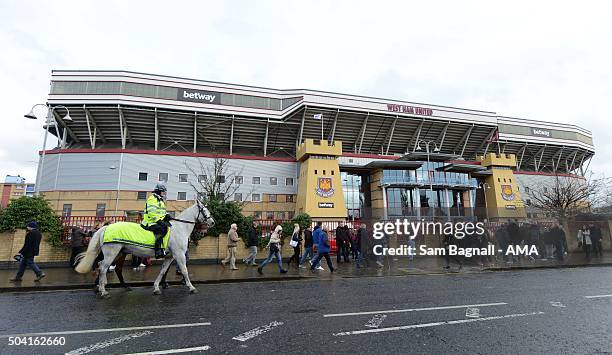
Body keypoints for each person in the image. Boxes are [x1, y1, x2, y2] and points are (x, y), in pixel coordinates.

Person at [141, 183, 170, 258]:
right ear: (158, 191)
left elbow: (162, 212)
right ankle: (157, 251)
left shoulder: (160, 200)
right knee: (160, 229)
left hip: (156, 221)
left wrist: (167, 215)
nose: (164, 193)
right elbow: (151, 213)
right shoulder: (152, 199)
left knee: (168, 227)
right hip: (149, 222)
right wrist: (159, 221)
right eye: (163, 191)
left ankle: (164, 247)